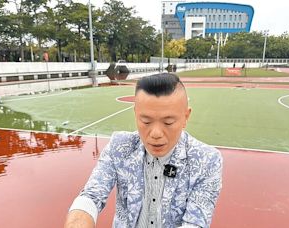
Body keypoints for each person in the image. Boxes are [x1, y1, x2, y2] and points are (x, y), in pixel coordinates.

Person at [64, 73, 223, 228]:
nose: (155, 134)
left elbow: (195, 223)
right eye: (146, 121)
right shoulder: (120, 147)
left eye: (168, 123)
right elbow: (91, 196)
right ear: (135, 114)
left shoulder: (207, 160)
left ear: (186, 117)